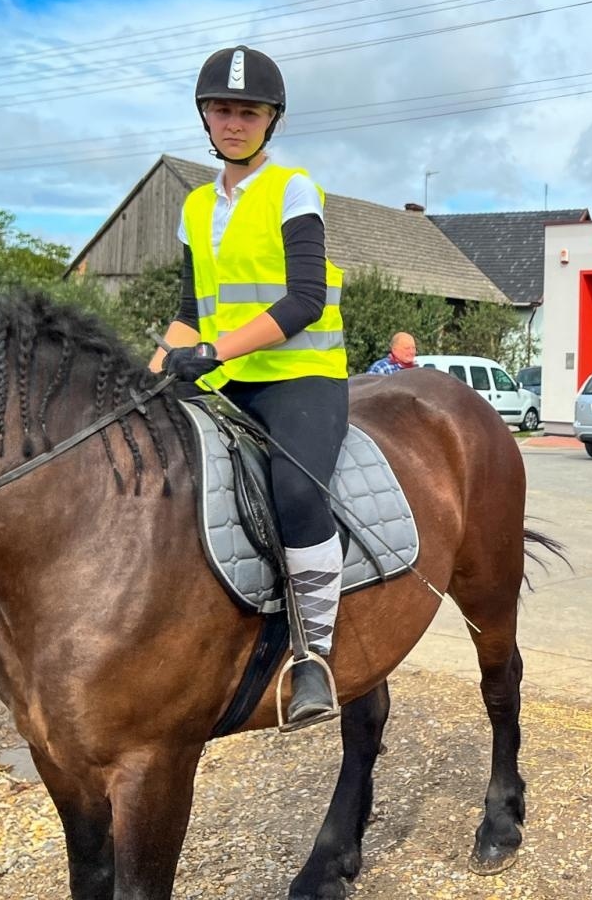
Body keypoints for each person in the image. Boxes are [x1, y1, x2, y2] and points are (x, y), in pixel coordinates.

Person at [151, 44, 348, 731]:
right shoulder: (197, 206)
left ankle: (315, 655)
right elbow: (186, 313)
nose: (233, 122)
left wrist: (213, 351)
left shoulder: (293, 188)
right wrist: (145, 377)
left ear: (271, 120)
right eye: (222, 110)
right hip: (223, 375)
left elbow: (305, 298)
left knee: (296, 492)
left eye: (248, 111)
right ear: (204, 117)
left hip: (301, 377)